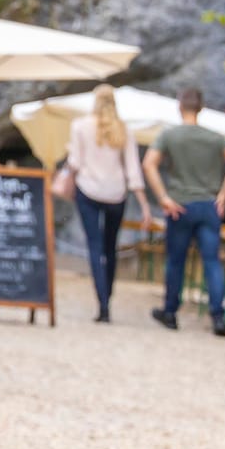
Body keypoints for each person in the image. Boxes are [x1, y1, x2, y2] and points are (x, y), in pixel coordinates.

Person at [144, 88, 225, 336]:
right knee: (212, 261)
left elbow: (149, 164)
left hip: (180, 205)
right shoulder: (214, 137)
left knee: (176, 260)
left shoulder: (170, 135)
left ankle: (170, 313)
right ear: (201, 107)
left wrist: (164, 198)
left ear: (180, 106)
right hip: (209, 206)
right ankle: (218, 317)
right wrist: (223, 193)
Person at [65, 85, 151, 323]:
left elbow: (74, 162)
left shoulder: (80, 126)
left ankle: (102, 302)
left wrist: (65, 182)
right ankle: (108, 296)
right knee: (109, 247)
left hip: (88, 190)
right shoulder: (123, 130)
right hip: (116, 194)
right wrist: (144, 204)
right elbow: (133, 170)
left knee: (94, 246)